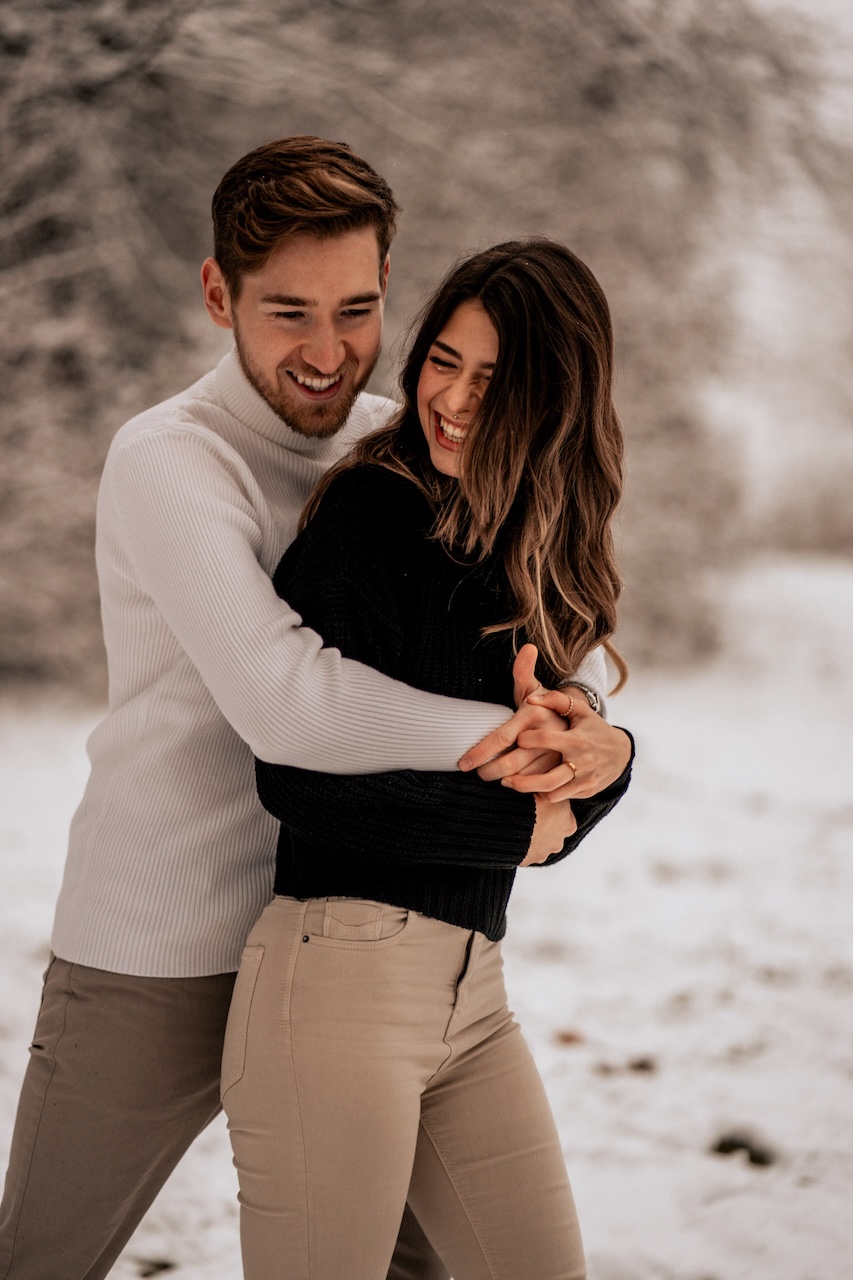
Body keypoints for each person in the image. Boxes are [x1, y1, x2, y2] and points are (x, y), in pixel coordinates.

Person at [0, 140, 630, 1280]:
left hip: (343, 938)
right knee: (41, 1256)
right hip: (160, 947)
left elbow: (500, 641)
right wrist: (517, 761)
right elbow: (285, 704)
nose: (328, 350)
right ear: (216, 295)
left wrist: (592, 732)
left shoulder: (400, 439)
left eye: (357, 309)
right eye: (288, 311)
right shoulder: (170, 459)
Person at [222, 238, 634, 1279]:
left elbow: (546, 762)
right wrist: (517, 824)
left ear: (556, 397)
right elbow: (299, 774)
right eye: (441, 360)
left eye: (490, 379)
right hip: (334, 979)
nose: (449, 397)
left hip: (471, 990)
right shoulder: (373, 517)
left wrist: (608, 753)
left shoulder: (527, 539)